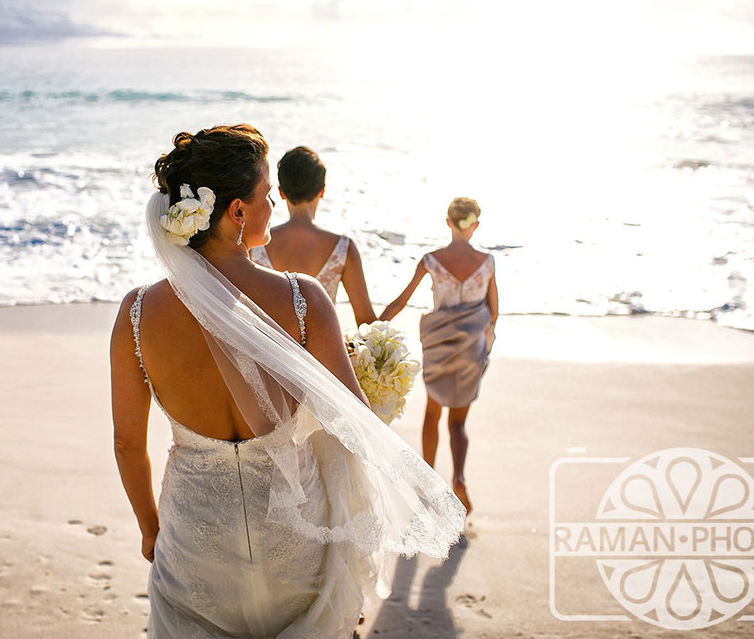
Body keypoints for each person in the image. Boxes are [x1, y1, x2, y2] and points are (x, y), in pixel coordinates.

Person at [110, 125, 464, 638]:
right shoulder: (305, 302)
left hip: (195, 537)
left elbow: (125, 443)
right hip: (294, 540)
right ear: (236, 211)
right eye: (263, 194)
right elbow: (355, 427)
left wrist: (150, 528)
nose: (273, 202)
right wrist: (349, 568)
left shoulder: (137, 314)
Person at [379, 197, 499, 515]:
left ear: (448, 223)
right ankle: (458, 478)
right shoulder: (487, 262)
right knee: (457, 423)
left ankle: (427, 483)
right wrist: (483, 344)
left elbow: (402, 300)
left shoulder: (431, 259)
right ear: (474, 225)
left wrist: (374, 326)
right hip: (471, 348)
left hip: (439, 347)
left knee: (432, 414)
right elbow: (493, 312)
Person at [250, 146, 376, 327]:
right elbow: (366, 323)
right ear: (322, 191)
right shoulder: (343, 248)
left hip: (266, 353)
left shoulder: (255, 246)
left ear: (281, 192)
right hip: (321, 354)